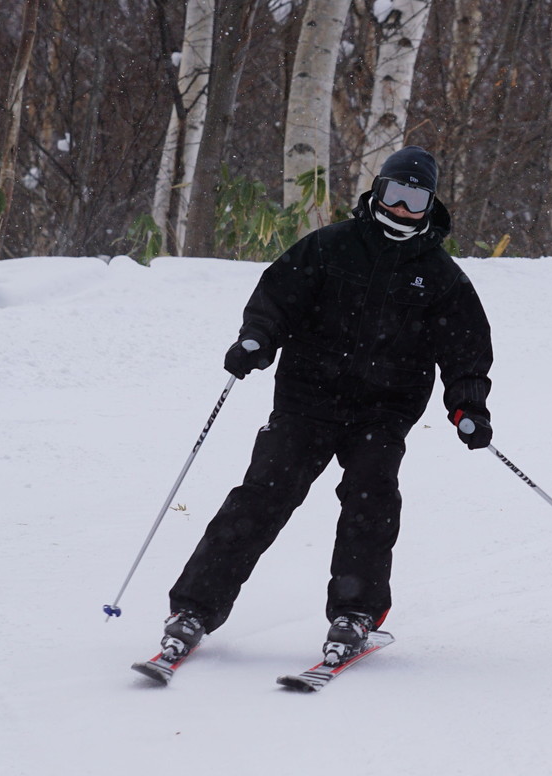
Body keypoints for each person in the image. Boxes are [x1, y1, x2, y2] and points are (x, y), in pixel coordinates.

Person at [159, 146, 494, 665]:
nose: (403, 208)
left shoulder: (442, 277)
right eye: (394, 194)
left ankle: (355, 613)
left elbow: (465, 349)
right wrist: (257, 340)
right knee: (260, 497)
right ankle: (194, 609)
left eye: (415, 199)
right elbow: (276, 300)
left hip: (382, 412)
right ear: (377, 192)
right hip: (306, 401)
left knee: (371, 501)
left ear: (430, 205)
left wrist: (468, 406)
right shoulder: (329, 247)